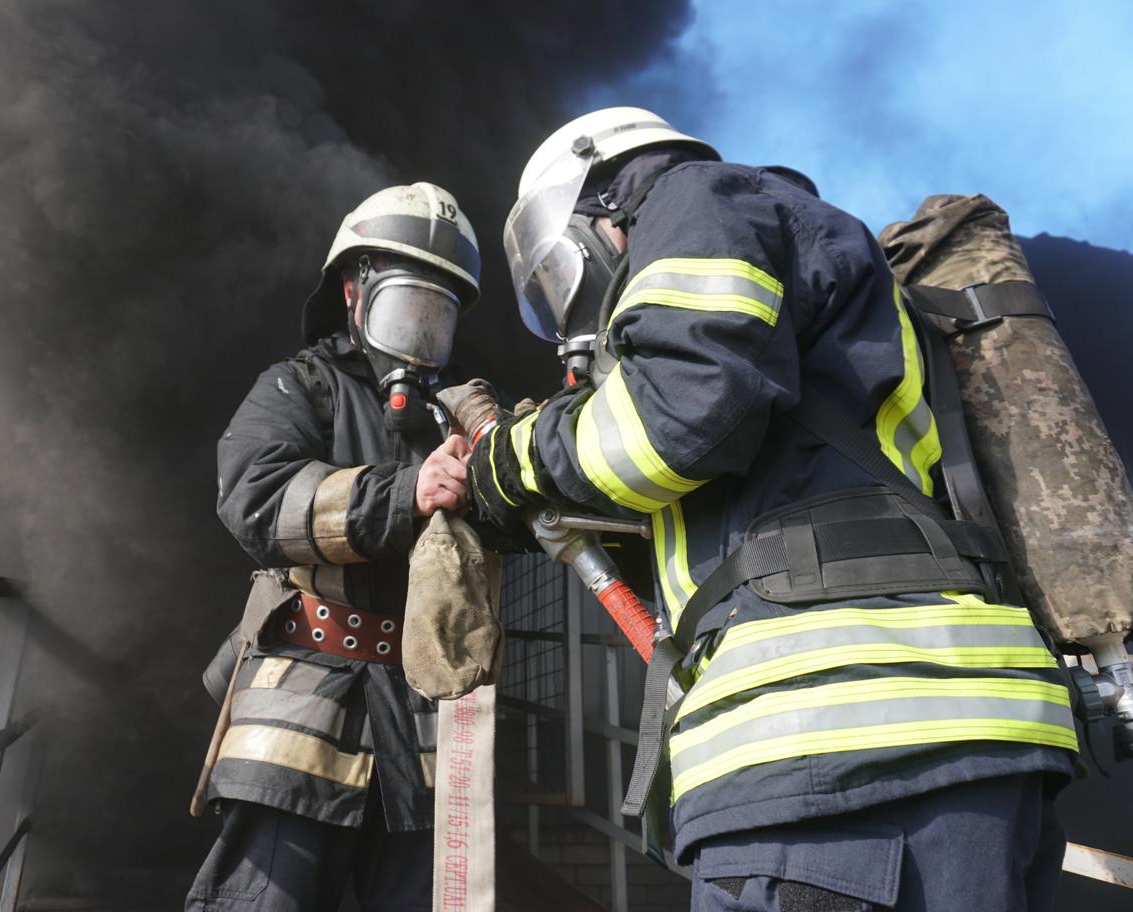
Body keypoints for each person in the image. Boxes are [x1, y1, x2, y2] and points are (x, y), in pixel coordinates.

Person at [465, 108, 1078, 911]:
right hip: (932, 752)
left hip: (841, 759)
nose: (568, 314)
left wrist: (512, 460)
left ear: (601, 216)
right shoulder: (800, 263)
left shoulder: (690, 197)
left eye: (557, 276)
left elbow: (680, 418)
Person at [188, 182, 481, 912]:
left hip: (422, 717)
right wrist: (407, 493)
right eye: (407, 304)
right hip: (304, 704)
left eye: (437, 314)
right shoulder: (300, 385)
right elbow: (256, 494)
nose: (420, 328)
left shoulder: (463, 417)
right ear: (355, 291)